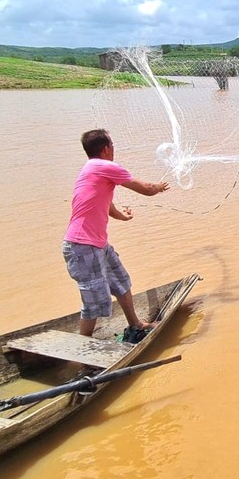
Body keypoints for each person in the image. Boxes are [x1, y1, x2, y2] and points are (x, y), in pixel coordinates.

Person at [62, 129, 169, 336]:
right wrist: (158, 187)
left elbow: (107, 205)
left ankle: (136, 324)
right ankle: (84, 351)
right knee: (95, 301)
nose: (113, 150)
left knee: (121, 281)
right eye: (112, 145)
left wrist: (123, 217)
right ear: (106, 149)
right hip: (82, 246)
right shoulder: (105, 166)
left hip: (97, 245)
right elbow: (145, 188)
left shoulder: (91, 170)